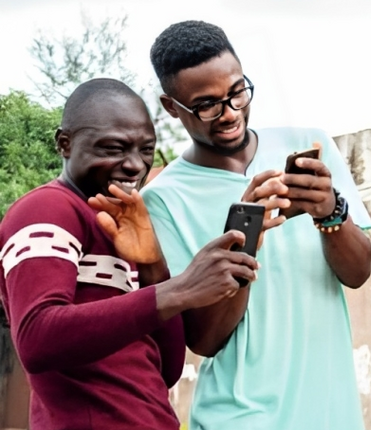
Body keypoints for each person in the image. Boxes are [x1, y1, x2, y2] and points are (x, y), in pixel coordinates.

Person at [144, 20, 371, 430]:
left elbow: (357, 274)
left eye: (237, 92)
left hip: (330, 411)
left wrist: (329, 212)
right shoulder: (164, 200)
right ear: (170, 107)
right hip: (240, 417)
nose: (230, 114)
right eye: (207, 104)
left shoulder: (308, 144)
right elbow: (205, 340)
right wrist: (245, 233)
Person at [0, 78, 261, 430]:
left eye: (146, 150)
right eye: (114, 148)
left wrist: (154, 266)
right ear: (64, 143)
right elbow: (37, 338)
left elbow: (165, 371)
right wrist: (180, 288)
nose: (135, 165)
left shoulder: (120, 225)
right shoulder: (48, 208)